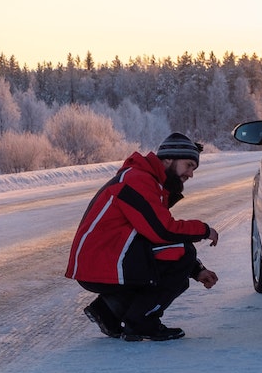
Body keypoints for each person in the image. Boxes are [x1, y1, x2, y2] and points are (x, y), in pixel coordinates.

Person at [65, 132, 219, 341]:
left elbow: (156, 236)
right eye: (189, 165)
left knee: (181, 265)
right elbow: (162, 231)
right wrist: (204, 230)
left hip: (107, 258)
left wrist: (197, 270)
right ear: (169, 159)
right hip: (102, 260)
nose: (191, 174)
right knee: (183, 253)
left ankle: (108, 310)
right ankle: (142, 322)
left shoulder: (146, 179)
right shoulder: (138, 179)